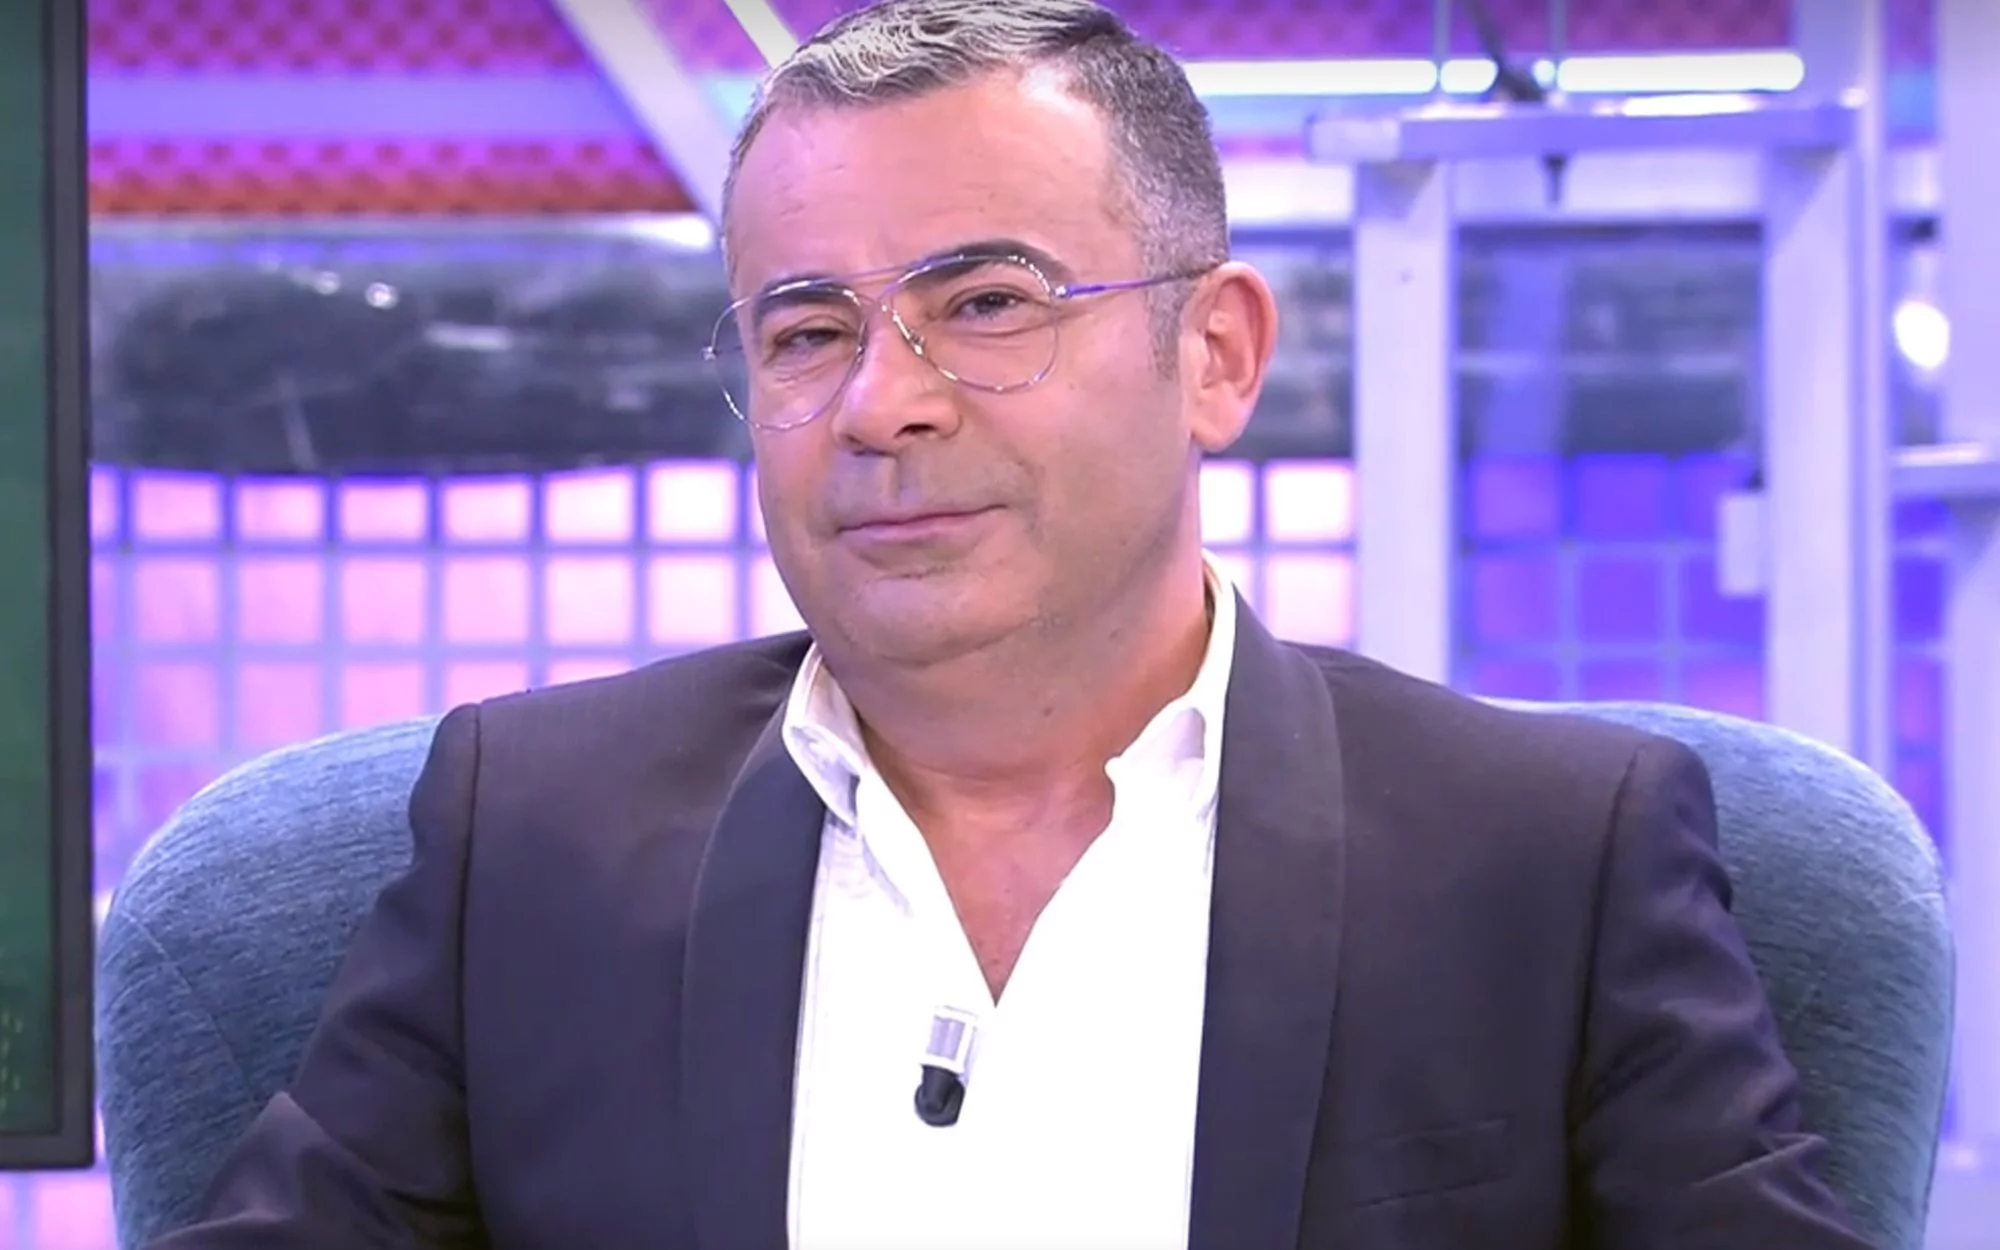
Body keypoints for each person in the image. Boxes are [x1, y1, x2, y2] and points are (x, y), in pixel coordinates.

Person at [151, 1, 1879, 1247]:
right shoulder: (525, 834)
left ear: (1217, 355)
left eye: (986, 302)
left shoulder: (1552, 858)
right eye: (807, 330)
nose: (881, 403)